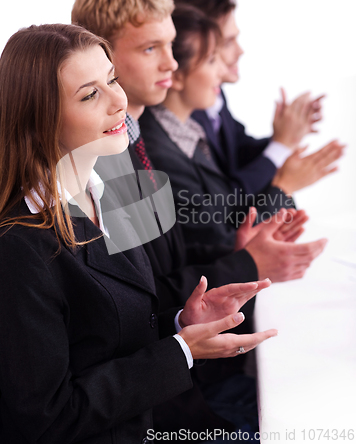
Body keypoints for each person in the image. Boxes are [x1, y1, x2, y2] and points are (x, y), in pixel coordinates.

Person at [71, 0, 326, 439]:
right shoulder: (105, 164)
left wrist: (236, 245)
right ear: (102, 56)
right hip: (168, 405)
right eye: (151, 49)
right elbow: (145, 302)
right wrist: (244, 258)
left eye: (171, 45)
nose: (173, 63)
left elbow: (159, 277)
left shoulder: (133, 143)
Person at [0, 23, 278, 444]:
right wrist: (181, 351)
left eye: (111, 79)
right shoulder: (18, 247)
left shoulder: (105, 195)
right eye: (90, 94)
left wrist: (185, 323)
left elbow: (109, 338)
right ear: (40, 120)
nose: (119, 100)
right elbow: (46, 418)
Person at [168, 0, 344, 198]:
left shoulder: (214, 93)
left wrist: (287, 134)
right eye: (227, 43)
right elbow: (223, 200)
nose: (240, 51)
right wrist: (281, 155)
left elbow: (235, 152)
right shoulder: (181, 111)